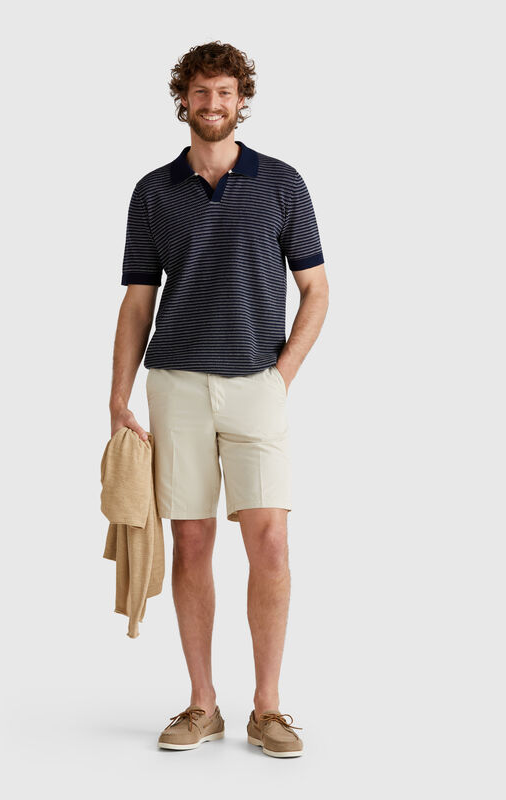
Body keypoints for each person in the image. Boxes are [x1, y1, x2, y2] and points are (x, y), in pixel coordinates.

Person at [108, 41, 329, 758]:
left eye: (225, 92)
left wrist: (282, 374)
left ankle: (268, 708)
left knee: (270, 540)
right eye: (201, 92)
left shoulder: (282, 183)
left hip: (257, 384)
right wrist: (117, 396)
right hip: (176, 384)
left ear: (242, 100)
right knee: (192, 540)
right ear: (184, 100)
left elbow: (317, 290)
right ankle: (202, 705)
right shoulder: (153, 191)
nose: (213, 104)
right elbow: (138, 301)